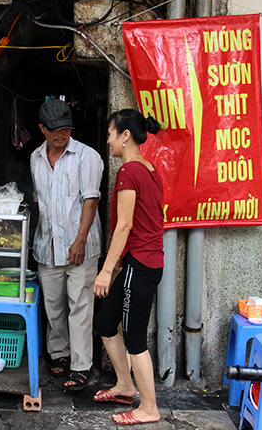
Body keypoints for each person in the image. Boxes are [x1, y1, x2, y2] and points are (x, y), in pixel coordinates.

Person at [92, 109, 164, 425]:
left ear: (124, 135)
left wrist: (106, 271)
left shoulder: (129, 172)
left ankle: (149, 407)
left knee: (135, 339)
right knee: (106, 323)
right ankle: (125, 384)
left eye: (110, 134)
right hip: (145, 262)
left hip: (141, 263)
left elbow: (124, 226)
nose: (108, 141)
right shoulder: (150, 169)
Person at [30, 98, 103, 390]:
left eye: (66, 129)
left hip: (80, 246)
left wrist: (80, 240)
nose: (61, 135)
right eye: (55, 130)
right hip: (47, 245)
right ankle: (58, 354)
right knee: (54, 306)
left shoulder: (87, 157)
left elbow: (91, 199)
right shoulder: (36, 158)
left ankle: (81, 364)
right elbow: (41, 202)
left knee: (80, 305)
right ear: (42, 129)